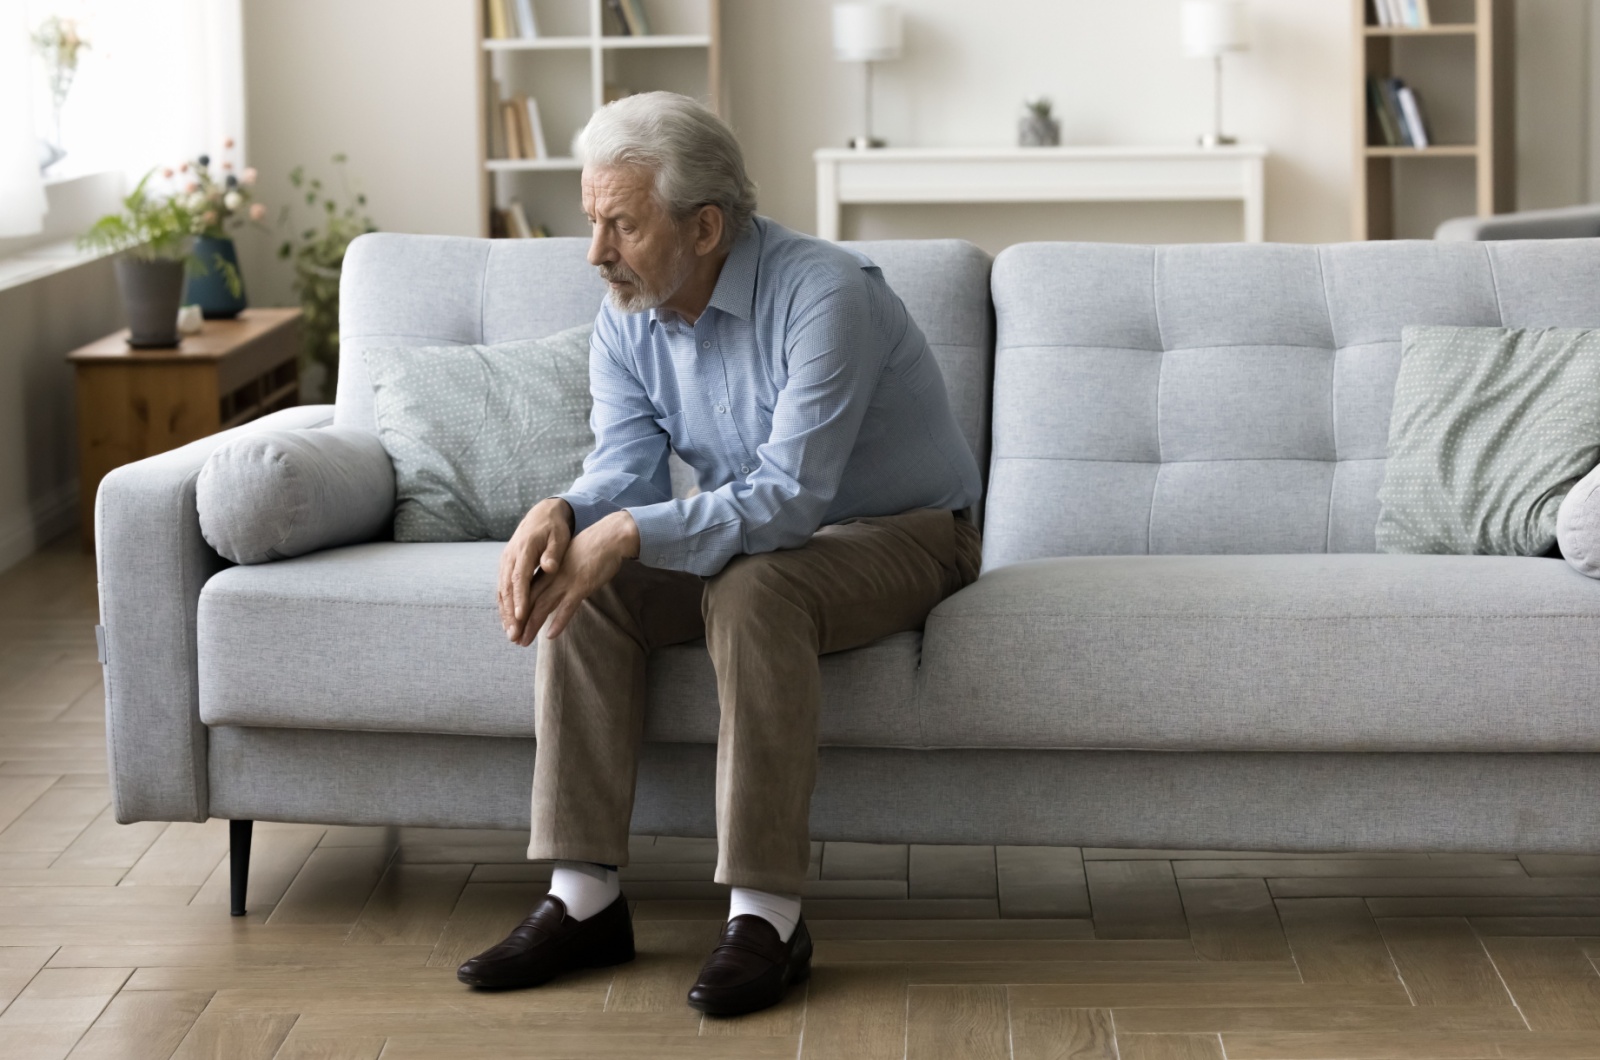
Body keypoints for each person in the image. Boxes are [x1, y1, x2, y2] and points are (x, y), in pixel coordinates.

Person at [456, 91, 983, 1017]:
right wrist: (567, 511)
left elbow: (789, 501)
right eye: (592, 221)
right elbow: (624, 469)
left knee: (751, 588)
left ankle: (767, 916)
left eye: (620, 224)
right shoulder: (628, 309)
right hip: (765, 538)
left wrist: (626, 533)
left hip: (907, 535)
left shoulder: (826, 294)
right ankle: (583, 898)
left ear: (705, 227)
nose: (595, 252)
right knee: (590, 581)